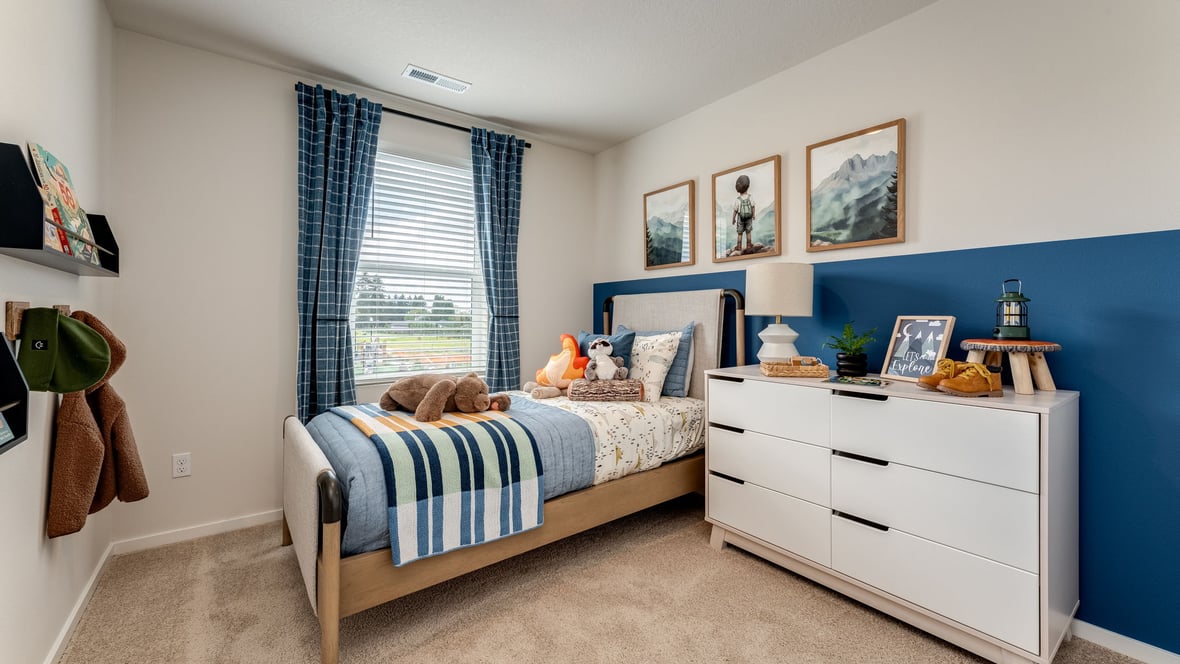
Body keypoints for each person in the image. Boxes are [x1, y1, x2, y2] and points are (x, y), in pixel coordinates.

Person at [732, 174, 755, 252]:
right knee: (748, 231)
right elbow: (753, 206)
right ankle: (749, 245)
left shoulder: (737, 199)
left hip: (740, 217)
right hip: (749, 217)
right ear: (748, 186)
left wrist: (733, 219)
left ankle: (739, 246)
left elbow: (735, 210)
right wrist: (753, 215)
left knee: (740, 233)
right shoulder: (750, 197)